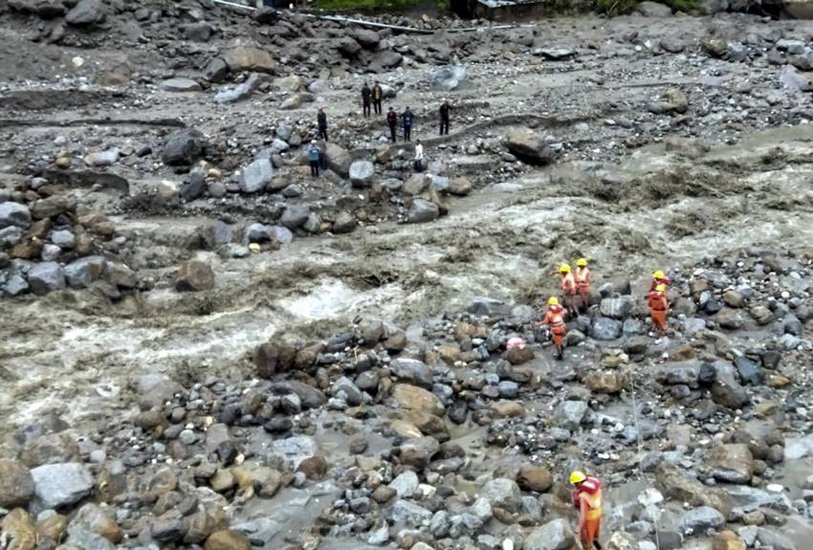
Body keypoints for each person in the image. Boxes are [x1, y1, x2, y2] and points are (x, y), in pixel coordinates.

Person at [570, 471, 603, 550]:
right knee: (595, 537)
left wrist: (579, 527)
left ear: (578, 483)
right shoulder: (596, 489)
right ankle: (600, 548)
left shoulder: (583, 496)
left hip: (589, 519)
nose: (575, 486)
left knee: (586, 542)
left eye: (575, 484)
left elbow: (583, 514)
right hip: (597, 514)